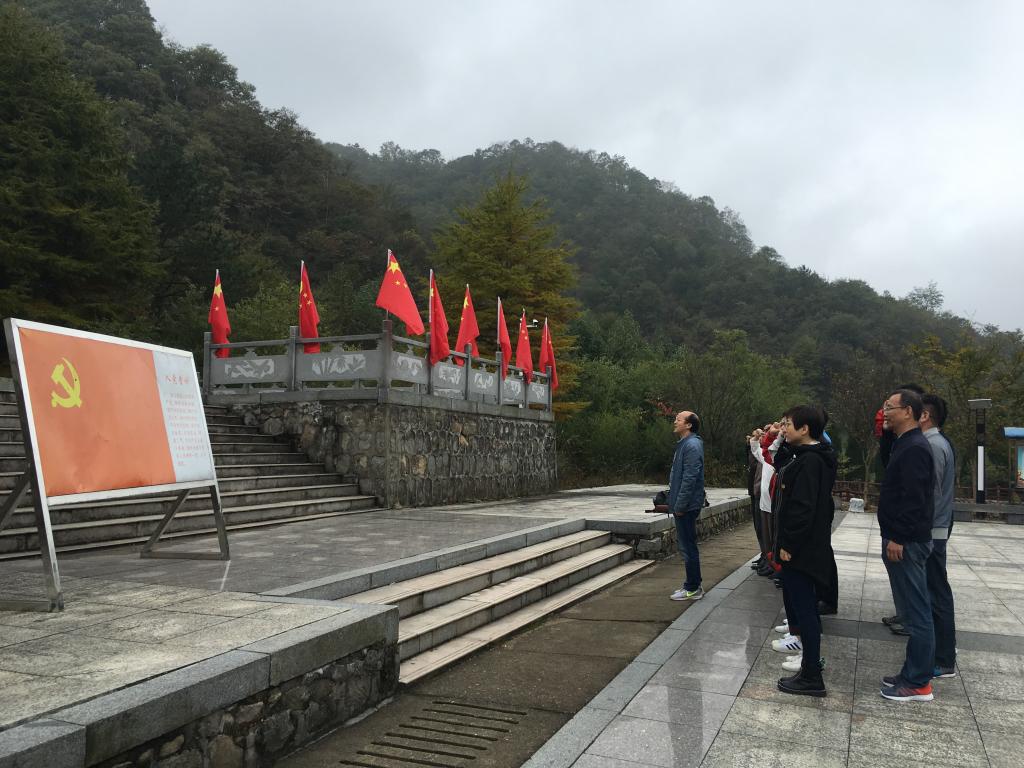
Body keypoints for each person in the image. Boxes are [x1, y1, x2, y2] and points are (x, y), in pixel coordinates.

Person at [772, 406, 837, 698]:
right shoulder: (809, 456)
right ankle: (809, 669)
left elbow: (802, 509)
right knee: (804, 608)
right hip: (806, 547)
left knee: (805, 610)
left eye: (788, 424)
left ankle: (812, 675)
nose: (783, 429)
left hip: (801, 550)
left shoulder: (810, 462)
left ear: (805, 429)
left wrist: (788, 545)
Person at [877, 388, 936, 702]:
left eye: (890, 407)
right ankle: (911, 673)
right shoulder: (904, 442)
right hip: (902, 538)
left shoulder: (915, 448)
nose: (884, 412)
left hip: (908, 542)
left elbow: (914, 498)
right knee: (913, 611)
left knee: (917, 613)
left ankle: (918, 682)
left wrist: (898, 537)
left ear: (908, 412)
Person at [921, 393, 957, 678]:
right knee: (934, 590)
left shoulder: (932, 445)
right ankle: (940, 651)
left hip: (931, 531)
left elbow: (930, 495)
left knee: (936, 592)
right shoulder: (937, 442)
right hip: (934, 528)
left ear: (924, 415)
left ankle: (944, 659)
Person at [668, 410, 705, 601]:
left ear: (689, 425)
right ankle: (692, 584)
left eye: (679, 419)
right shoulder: (685, 444)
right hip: (683, 504)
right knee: (687, 547)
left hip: (687, 506)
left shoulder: (691, 445)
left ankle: (693, 588)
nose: (675, 421)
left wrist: (680, 505)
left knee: (688, 548)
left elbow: (690, 479)